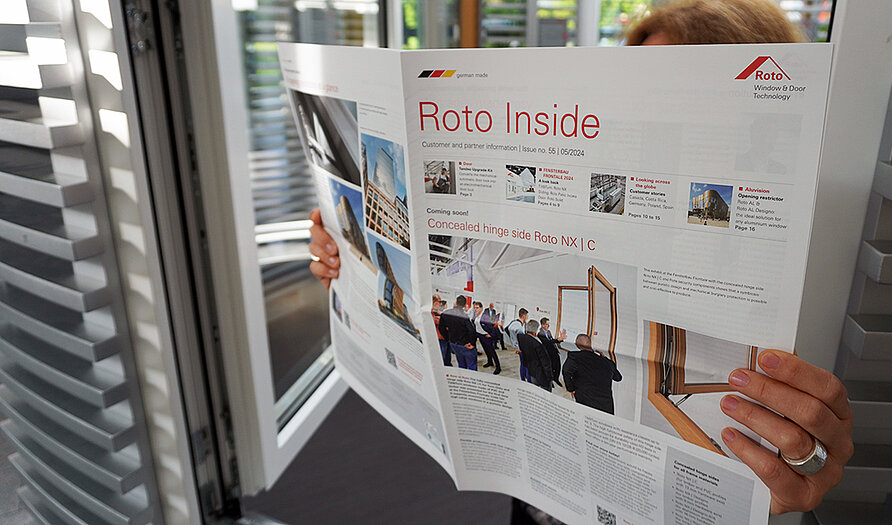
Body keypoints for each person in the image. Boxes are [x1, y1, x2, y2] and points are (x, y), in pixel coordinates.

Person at [309, 0, 854, 514]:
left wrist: (805, 463)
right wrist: (351, 260)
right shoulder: (565, 204)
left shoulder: (792, 260)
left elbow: (782, 452)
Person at [562, 334, 622, 415]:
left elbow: (566, 371)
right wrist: (605, 358)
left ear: (576, 345)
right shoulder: (607, 362)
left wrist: (571, 388)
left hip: (586, 403)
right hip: (606, 407)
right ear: (590, 344)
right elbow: (618, 377)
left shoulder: (575, 357)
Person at [438, 296, 478, 371]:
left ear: (455, 303)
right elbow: (471, 331)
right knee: (472, 366)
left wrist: (448, 339)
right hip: (465, 345)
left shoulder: (445, 313)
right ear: (465, 305)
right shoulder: (464, 316)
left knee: (461, 364)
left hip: (454, 344)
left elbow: (441, 328)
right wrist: (472, 343)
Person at [516, 320, 552, 392]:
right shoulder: (538, 345)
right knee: (546, 391)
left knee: (535, 389)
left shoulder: (520, 337)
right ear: (535, 331)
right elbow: (545, 363)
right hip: (541, 374)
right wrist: (549, 377)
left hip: (531, 370)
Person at [473, 301, 501, 374]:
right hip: (480, 335)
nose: (475, 309)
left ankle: (498, 367)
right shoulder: (476, 316)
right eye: (475, 308)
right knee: (486, 350)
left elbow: (493, 327)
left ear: (481, 308)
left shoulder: (485, 317)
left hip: (486, 336)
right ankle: (490, 362)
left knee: (492, 352)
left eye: (477, 308)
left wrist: (491, 335)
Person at [537, 318, 565, 388]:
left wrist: (560, 339)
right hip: (548, 353)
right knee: (551, 367)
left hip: (554, 351)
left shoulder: (548, 332)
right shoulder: (540, 334)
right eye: (547, 324)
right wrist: (558, 339)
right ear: (543, 325)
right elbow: (547, 342)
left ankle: (556, 378)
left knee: (557, 365)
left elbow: (552, 340)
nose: (548, 326)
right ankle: (550, 380)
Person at [506, 308, 530, 382]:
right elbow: (521, 339)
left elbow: (507, 330)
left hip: (517, 347)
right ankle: (524, 378)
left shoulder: (513, 323)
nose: (527, 318)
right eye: (526, 316)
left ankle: (523, 377)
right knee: (525, 364)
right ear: (523, 316)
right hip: (521, 349)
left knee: (522, 363)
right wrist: (518, 347)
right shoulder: (519, 326)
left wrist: (514, 345)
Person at [432, 295, 451, 367]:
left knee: (447, 359)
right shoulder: (430, 313)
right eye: (439, 302)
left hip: (445, 338)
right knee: (441, 359)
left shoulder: (438, 312)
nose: (441, 304)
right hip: (439, 339)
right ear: (434, 302)